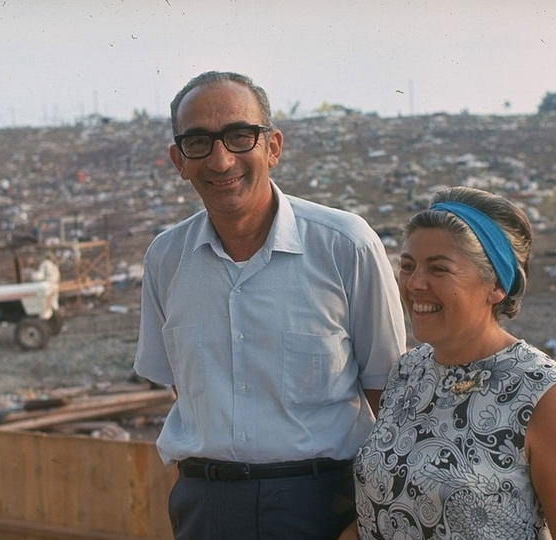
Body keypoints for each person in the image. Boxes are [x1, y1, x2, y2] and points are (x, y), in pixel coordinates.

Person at [133, 71, 407, 540]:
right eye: (199, 142)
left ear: (273, 146)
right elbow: (185, 386)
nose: (221, 160)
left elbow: (389, 397)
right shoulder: (166, 258)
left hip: (326, 505)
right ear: (179, 160)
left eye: (240, 136)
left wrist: (373, 519)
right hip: (207, 508)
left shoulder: (345, 246)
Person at [342, 187, 556, 539]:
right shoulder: (407, 373)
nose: (414, 283)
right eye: (407, 266)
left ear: (496, 285)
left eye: (439, 269)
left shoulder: (544, 396)